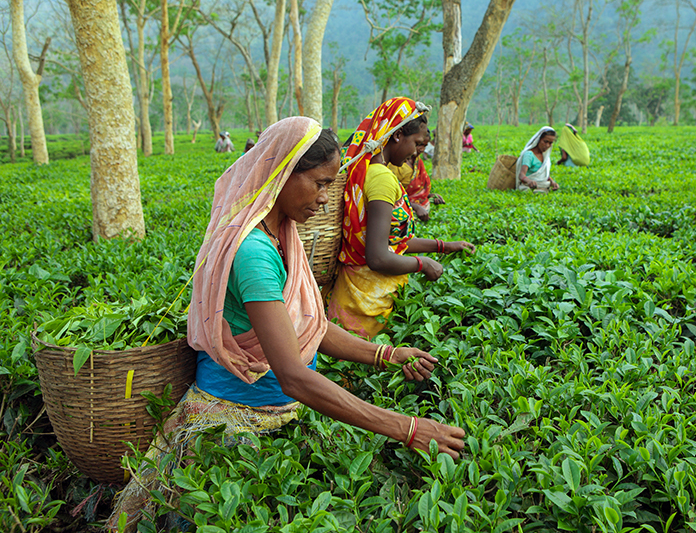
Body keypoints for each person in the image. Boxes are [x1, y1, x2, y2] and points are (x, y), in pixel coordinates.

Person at [108, 117, 465, 531]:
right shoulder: (254, 252)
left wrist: (385, 353)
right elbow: (293, 375)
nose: (326, 199)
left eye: (332, 185)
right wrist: (406, 428)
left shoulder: (282, 233)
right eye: (319, 183)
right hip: (237, 419)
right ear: (282, 172)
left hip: (283, 411)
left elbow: (305, 325)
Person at [325, 97, 475, 338]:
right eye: (416, 143)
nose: (417, 151)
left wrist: (444, 247)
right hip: (366, 307)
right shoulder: (381, 178)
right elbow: (378, 257)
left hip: (359, 296)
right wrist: (422, 263)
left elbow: (391, 241)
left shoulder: (369, 172)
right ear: (396, 135)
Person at [388, 125, 445, 222]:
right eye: (419, 144)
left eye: (425, 146)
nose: (422, 149)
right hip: (399, 207)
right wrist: (415, 207)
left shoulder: (417, 161)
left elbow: (415, 190)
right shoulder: (394, 164)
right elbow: (392, 198)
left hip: (417, 205)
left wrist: (429, 196)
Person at [516, 126, 560, 192]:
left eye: (550, 143)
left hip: (543, 187)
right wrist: (529, 182)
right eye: (545, 142)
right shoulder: (529, 155)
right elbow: (521, 175)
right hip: (528, 188)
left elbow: (544, 176)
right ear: (538, 139)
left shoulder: (545, 157)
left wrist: (552, 182)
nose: (547, 145)